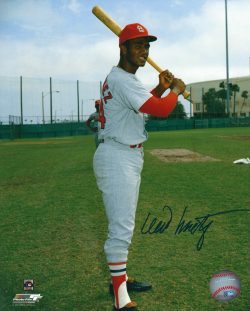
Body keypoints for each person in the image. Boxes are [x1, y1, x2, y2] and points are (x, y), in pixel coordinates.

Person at [93, 23, 186, 311]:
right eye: (137, 45)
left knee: (124, 224)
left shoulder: (122, 79)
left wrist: (160, 87)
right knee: (121, 228)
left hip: (125, 154)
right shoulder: (123, 79)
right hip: (118, 155)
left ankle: (119, 278)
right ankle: (121, 297)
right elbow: (160, 110)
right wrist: (175, 90)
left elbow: (143, 104)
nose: (144, 51)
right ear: (122, 48)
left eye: (147, 45)